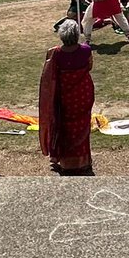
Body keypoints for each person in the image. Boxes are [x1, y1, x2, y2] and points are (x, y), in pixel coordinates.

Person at [38, 19, 95, 176]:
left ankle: (66, 161)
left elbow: (48, 75)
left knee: (65, 128)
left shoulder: (54, 53)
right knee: (82, 127)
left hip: (64, 97)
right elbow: (89, 67)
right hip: (83, 95)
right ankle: (83, 161)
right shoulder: (86, 50)